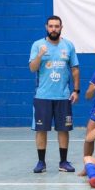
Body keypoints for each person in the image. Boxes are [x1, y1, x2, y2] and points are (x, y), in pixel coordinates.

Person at [29, 15, 80, 173]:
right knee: (41, 130)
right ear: (46, 27)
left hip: (63, 96)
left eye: (56, 26)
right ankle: (41, 162)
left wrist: (76, 90)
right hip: (42, 96)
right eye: (51, 26)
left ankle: (63, 162)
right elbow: (32, 68)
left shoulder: (68, 45)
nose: (53, 29)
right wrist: (40, 55)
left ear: (61, 27)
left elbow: (75, 69)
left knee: (63, 129)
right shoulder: (38, 45)